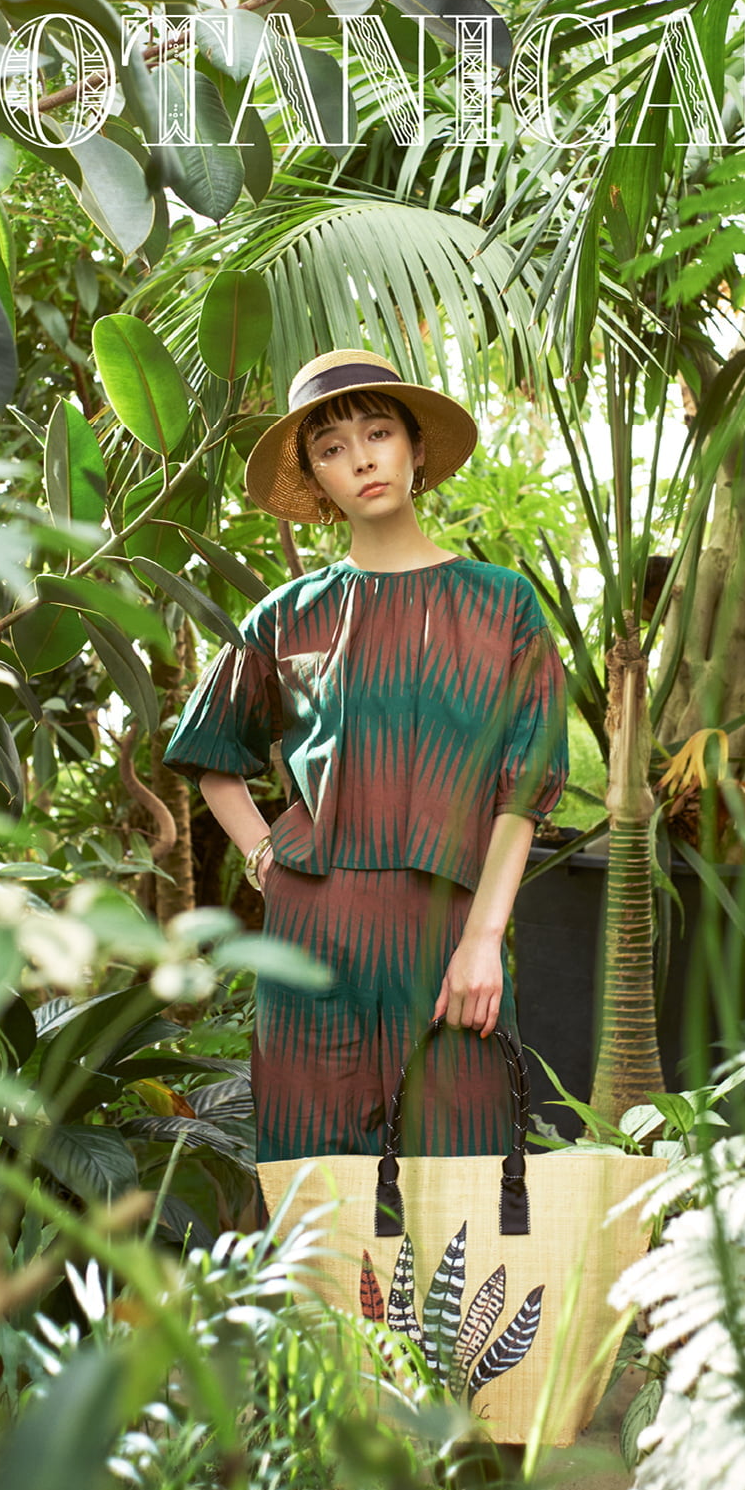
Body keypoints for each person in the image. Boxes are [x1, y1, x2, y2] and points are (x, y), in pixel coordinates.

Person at [163, 349, 568, 1164]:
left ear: (415, 447)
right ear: (316, 480)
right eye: (331, 448)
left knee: (466, 1165)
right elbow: (212, 754)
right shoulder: (287, 615)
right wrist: (264, 857)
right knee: (314, 1173)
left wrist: (484, 939)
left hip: (451, 927)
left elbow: (523, 787)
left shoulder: (504, 604)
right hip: (313, 932)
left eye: (378, 433)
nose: (361, 459)